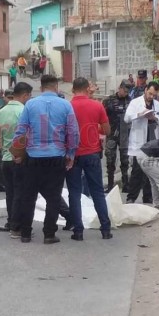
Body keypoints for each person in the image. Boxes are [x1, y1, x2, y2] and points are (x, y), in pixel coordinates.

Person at [12, 74, 79, 244]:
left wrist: (18, 154)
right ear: (56, 87)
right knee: (53, 197)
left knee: (29, 196)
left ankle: (26, 233)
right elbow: (73, 132)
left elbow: (20, 131)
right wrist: (70, 154)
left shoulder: (30, 105)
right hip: (56, 157)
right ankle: (49, 234)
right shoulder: (66, 105)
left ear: (41, 88)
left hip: (33, 157)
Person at [66, 78, 112, 241]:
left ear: (73, 90)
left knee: (74, 193)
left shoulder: (67, 107)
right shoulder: (97, 105)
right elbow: (107, 130)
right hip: (92, 154)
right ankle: (105, 229)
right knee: (98, 192)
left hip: (72, 155)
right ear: (87, 89)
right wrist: (95, 126)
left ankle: (78, 231)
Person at [0, 82, 33, 234]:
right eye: (29, 96)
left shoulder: (1, 112)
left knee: (10, 193)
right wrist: (20, 154)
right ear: (24, 95)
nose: (29, 99)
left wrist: (5, 150)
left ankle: (10, 221)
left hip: (5, 158)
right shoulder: (24, 111)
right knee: (21, 193)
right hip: (19, 157)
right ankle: (17, 225)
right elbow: (26, 135)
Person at [124, 82, 159, 205]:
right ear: (145, 90)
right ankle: (131, 197)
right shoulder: (135, 102)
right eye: (150, 93)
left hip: (153, 142)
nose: (151, 97)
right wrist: (140, 114)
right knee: (137, 171)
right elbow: (126, 118)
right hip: (139, 143)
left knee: (151, 171)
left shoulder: (158, 105)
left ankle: (148, 197)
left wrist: (154, 118)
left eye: (154, 95)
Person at [103, 80, 132, 193]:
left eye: (127, 91)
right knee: (110, 161)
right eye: (124, 90)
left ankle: (126, 185)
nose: (125, 93)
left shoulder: (130, 101)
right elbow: (102, 116)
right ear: (119, 88)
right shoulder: (109, 100)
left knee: (125, 161)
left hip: (125, 134)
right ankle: (110, 186)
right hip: (111, 134)